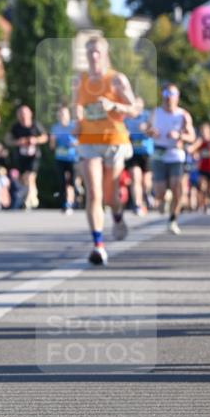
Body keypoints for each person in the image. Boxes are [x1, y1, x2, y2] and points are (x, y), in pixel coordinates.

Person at [74, 35, 137, 266]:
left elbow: (135, 109)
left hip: (114, 141)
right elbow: (77, 108)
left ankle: (117, 215)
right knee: (94, 193)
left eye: (97, 51)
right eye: (89, 51)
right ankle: (98, 245)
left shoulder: (117, 79)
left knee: (111, 197)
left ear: (105, 54)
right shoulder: (79, 80)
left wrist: (114, 105)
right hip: (88, 141)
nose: (93, 56)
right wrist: (76, 123)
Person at [148, 84, 195, 234]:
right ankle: (163, 198)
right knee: (159, 191)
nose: (169, 98)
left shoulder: (183, 115)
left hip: (176, 154)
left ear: (177, 97)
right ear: (163, 95)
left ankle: (173, 219)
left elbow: (192, 137)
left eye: (172, 94)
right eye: (166, 94)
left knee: (177, 187)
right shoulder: (156, 112)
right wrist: (150, 132)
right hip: (159, 153)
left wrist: (179, 136)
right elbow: (146, 128)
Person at [6, 105, 47, 209]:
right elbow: (7, 140)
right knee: (24, 179)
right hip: (21, 157)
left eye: (25, 114)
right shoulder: (15, 127)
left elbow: (45, 137)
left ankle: (29, 201)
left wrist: (35, 140)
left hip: (34, 156)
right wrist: (17, 142)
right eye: (21, 114)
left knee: (30, 177)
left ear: (30, 114)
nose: (23, 116)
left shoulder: (35, 125)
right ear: (18, 116)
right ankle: (31, 197)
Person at [124, 97, 154, 215]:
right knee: (135, 178)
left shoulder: (148, 116)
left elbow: (154, 131)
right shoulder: (127, 118)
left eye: (138, 105)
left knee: (146, 182)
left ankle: (147, 193)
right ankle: (137, 204)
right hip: (132, 152)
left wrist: (147, 129)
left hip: (146, 152)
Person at [48, 105, 78, 214]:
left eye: (64, 114)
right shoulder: (55, 128)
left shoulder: (74, 126)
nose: (62, 116)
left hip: (73, 158)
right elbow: (51, 147)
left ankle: (73, 198)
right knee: (63, 181)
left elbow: (82, 140)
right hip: (60, 158)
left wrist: (75, 143)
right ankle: (66, 203)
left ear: (68, 115)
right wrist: (53, 141)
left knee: (72, 182)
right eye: (60, 114)